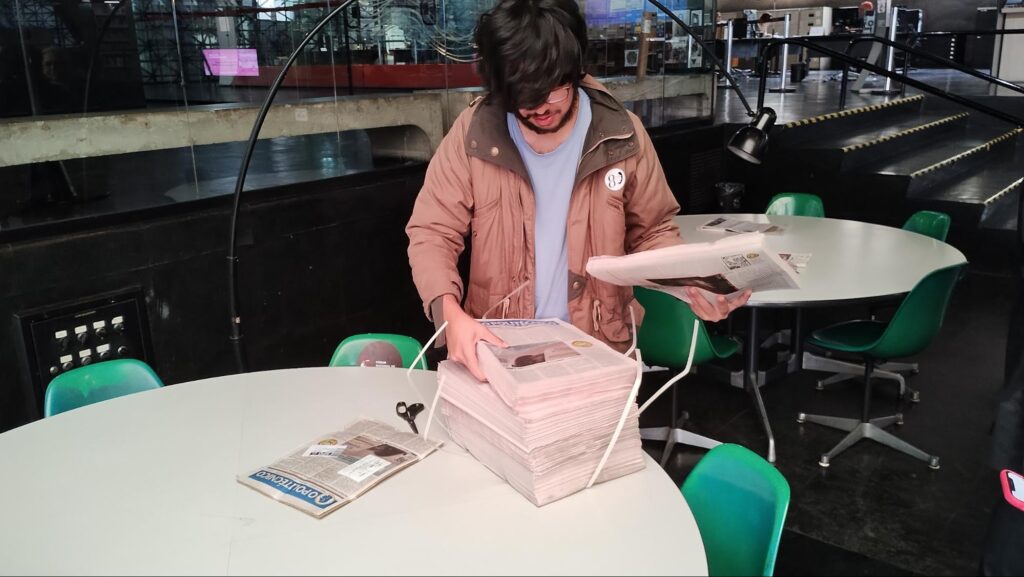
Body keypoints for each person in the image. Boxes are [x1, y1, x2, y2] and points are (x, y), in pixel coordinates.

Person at [405, 0, 749, 380]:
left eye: (552, 90)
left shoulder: (621, 133)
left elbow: (653, 230)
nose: (539, 108)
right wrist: (449, 312)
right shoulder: (475, 133)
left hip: (599, 348)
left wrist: (697, 286)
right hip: (500, 349)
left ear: (576, 70)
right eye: (521, 95)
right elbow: (432, 231)